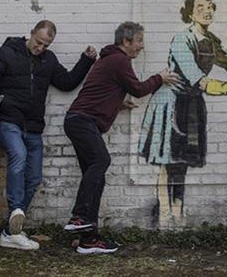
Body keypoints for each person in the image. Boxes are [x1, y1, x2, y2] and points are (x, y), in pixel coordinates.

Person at [138, 0, 227, 226]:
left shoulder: (211, 41)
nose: (206, 11)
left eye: (210, 6)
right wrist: (223, 88)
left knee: (184, 161)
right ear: (190, 13)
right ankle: (164, 213)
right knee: (167, 161)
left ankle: (178, 212)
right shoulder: (183, 39)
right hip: (171, 103)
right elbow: (194, 75)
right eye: (200, 7)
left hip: (192, 103)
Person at [0, 19, 96, 250]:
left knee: (34, 177)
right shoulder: (5, 53)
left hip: (33, 127)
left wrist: (86, 60)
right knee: (18, 156)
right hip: (7, 121)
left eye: (45, 45)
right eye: (38, 42)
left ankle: (11, 232)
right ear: (31, 33)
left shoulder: (48, 60)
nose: (40, 48)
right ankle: (17, 210)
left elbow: (66, 82)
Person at [62, 21, 181, 254]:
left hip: (80, 121)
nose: (141, 47)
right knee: (101, 162)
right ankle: (79, 217)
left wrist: (117, 103)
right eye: (138, 42)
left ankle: (89, 239)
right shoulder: (119, 60)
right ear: (125, 41)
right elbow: (137, 88)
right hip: (82, 122)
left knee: (96, 177)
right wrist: (159, 78)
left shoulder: (109, 60)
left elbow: (104, 89)